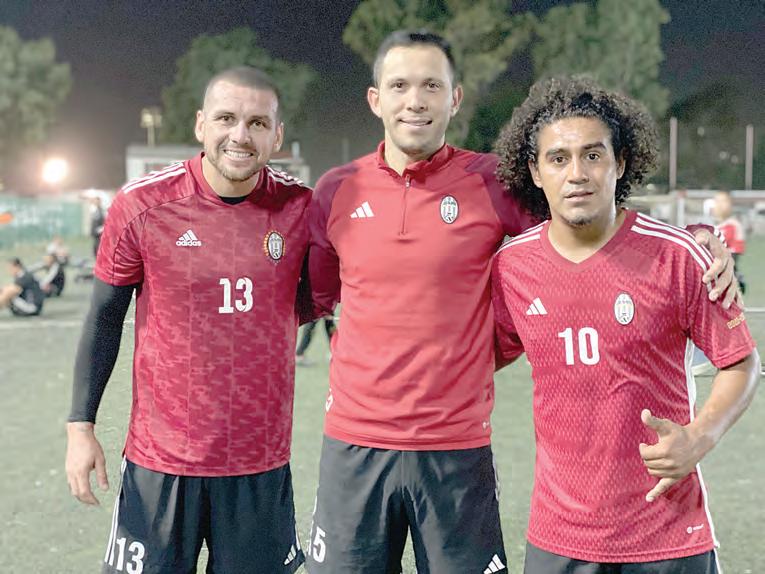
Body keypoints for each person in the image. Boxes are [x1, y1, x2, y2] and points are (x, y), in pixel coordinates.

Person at [306, 31, 738, 574]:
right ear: (375, 99)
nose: (415, 100)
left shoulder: (491, 182)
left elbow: (584, 217)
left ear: (454, 98)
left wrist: (694, 236)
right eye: (399, 86)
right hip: (354, 443)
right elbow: (314, 294)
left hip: (456, 446)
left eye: (431, 86)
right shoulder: (336, 190)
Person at [491, 76, 760, 574]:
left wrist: (698, 439)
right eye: (558, 158)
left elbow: (741, 362)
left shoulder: (679, 257)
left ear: (620, 162)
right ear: (535, 171)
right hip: (559, 537)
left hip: (667, 535)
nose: (577, 174)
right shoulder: (512, 267)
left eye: (593, 155)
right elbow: (477, 357)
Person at [65, 67, 312, 574]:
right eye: (226, 118)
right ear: (201, 124)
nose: (240, 135)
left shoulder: (302, 210)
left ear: (277, 135)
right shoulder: (142, 204)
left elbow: (316, 298)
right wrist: (80, 427)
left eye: (258, 123)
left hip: (259, 465)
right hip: (160, 463)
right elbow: (105, 318)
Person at [713, 190, 746, 294]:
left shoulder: (733, 225)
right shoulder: (717, 226)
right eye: (717, 201)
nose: (720, 205)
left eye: (723, 201)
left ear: (730, 204)